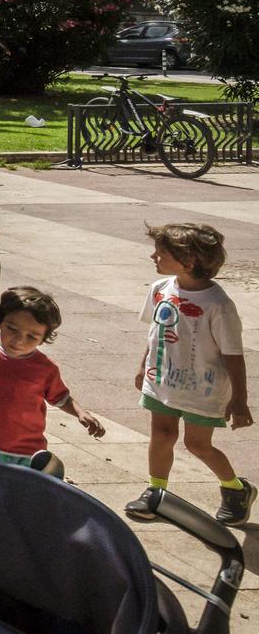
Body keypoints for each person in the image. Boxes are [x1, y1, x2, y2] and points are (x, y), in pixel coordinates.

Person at [126, 223, 253, 525]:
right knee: (162, 434)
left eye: (161, 253)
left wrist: (239, 400)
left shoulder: (218, 305)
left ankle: (236, 489)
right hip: (162, 381)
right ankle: (156, 492)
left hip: (204, 390)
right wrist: (144, 364)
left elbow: (233, 355)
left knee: (197, 444)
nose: (153, 256)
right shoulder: (160, 290)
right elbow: (155, 333)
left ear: (189, 262)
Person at [0, 286, 103, 479]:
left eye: (32, 336)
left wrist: (80, 412)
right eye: (12, 328)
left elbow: (60, 397)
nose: (19, 340)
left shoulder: (44, 368)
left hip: (25, 452)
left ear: (44, 339)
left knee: (13, 503)